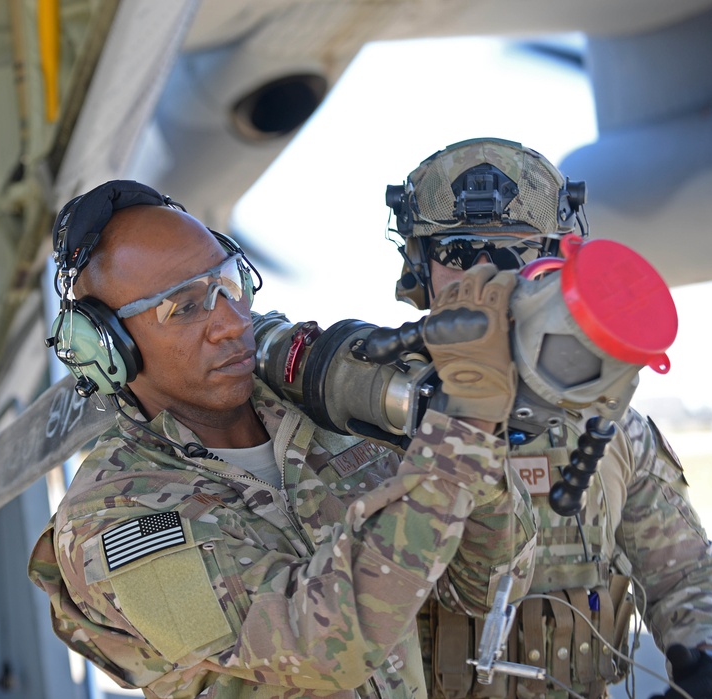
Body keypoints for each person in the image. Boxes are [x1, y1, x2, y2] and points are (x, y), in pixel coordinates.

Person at [28, 180, 537, 698]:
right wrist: (457, 442)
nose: (230, 322)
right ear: (110, 348)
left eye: (227, 283)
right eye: (183, 308)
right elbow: (323, 645)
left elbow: (489, 587)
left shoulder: (326, 416)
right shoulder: (112, 520)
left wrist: (466, 436)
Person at [382, 138, 712, 699]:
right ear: (418, 265)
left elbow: (686, 574)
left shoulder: (617, 433)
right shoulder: (370, 418)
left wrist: (708, 656)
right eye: (455, 250)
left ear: (554, 259)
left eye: (512, 249)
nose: (484, 274)